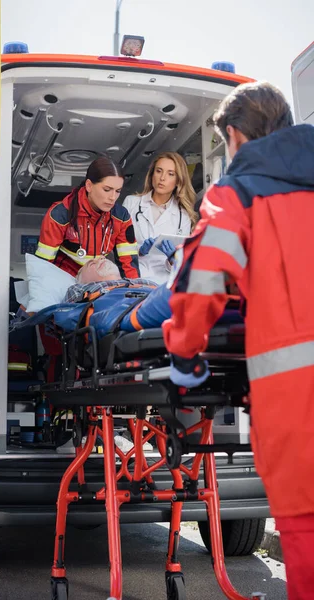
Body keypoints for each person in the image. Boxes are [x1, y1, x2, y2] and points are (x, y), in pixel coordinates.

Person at [162, 81, 314, 600]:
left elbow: (201, 280)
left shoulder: (240, 190)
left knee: (307, 526)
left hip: (298, 395)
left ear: (233, 136)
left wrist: (185, 356)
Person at [36, 156, 140, 278]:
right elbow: (43, 267)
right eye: (107, 189)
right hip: (63, 282)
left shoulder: (121, 217)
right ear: (89, 186)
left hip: (98, 284)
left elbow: (129, 266)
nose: (113, 197)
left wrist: (135, 292)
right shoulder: (60, 215)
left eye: (118, 191)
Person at [122, 152, 198, 285]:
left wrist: (172, 258)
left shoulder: (183, 216)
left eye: (170, 174)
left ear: (178, 181)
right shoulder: (131, 203)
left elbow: (180, 266)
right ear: (152, 174)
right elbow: (115, 247)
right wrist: (140, 250)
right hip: (133, 280)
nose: (162, 178)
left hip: (162, 283)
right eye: (159, 171)